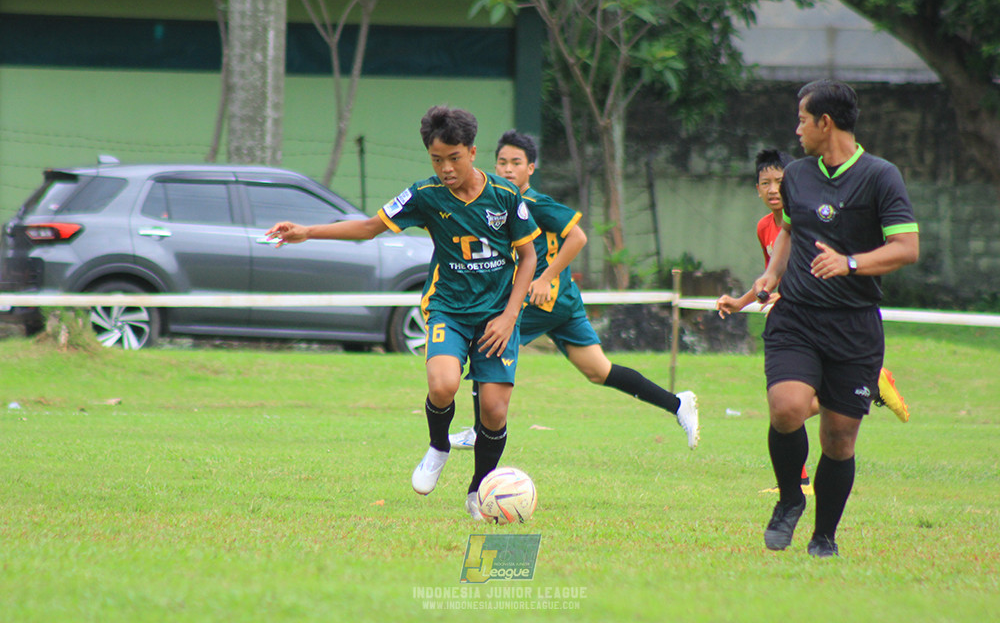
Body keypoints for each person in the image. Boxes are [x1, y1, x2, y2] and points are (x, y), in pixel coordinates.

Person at [266, 106, 540, 521]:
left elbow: (528, 257)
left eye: (454, 158)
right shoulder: (424, 195)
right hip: (448, 307)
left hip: (497, 315)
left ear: (472, 151)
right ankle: (438, 446)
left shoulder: (505, 196)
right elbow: (369, 227)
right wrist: (308, 231)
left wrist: (508, 316)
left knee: (494, 410)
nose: (446, 168)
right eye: (436, 159)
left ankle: (479, 488)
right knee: (444, 384)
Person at [750, 80, 919, 557]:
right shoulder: (798, 175)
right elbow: (787, 232)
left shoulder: (881, 176)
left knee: (839, 437)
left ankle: (824, 537)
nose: (796, 128)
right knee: (786, 407)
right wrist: (769, 276)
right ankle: (788, 501)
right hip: (797, 317)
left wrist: (849, 262)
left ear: (826, 123)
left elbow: (907, 248)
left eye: (803, 119)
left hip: (854, 325)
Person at [449, 130, 699, 451]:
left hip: (547, 300)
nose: (508, 169)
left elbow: (578, 237)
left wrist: (546, 278)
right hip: (562, 303)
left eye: (516, 162)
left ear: (531, 168)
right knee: (599, 371)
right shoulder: (500, 203)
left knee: (488, 338)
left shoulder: (535, 203)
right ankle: (678, 404)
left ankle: (478, 431)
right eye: (502, 162)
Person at [715, 150, 912, 494]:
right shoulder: (766, 227)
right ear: (756, 190)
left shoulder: (817, 213)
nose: (774, 189)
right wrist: (741, 302)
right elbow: (772, 274)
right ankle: (797, 482)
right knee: (786, 406)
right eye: (766, 183)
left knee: (795, 406)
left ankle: (801, 480)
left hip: (824, 316)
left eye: (780, 182)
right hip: (791, 315)